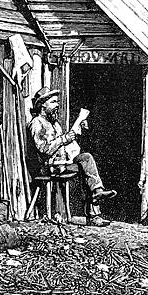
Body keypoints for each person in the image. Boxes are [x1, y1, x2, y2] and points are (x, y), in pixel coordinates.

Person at [27, 87, 115, 226]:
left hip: (62, 163)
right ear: (43, 104)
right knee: (83, 166)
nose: (57, 105)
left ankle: (97, 194)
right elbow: (43, 148)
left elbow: (66, 147)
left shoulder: (54, 124)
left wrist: (77, 130)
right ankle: (94, 213)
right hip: (48, 167)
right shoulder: (36, 123)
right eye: (54, 102)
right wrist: (64, 139)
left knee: (86, 159)